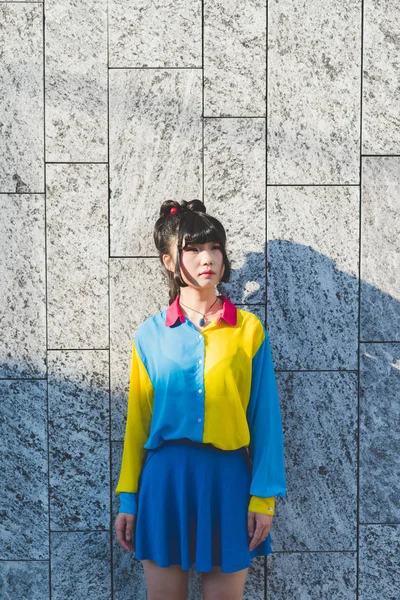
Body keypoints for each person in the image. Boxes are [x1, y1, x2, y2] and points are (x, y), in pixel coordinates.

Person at [114, 199, 287, 600]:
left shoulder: (248, 330)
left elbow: (265, 420)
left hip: (228, 481)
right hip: (164, 482)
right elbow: (137, 422)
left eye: (214, 247)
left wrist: (264, 498)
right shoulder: (150, 334)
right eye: (192, 249)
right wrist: (128, 498)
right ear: (170, 261)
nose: (207, 258)